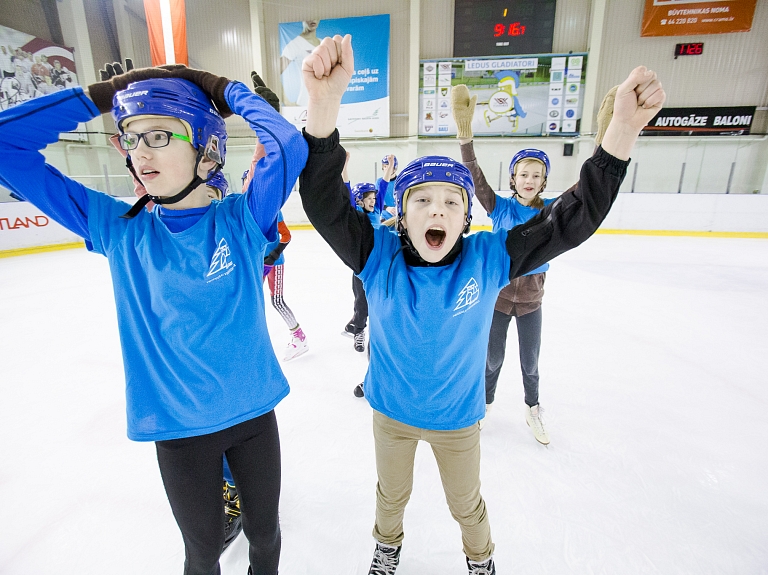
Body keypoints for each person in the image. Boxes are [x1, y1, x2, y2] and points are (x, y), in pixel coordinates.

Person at [298, 34, 664, 574]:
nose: (437, 210)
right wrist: (324, 108)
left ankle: (480, 557)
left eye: (452, 202)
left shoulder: (489, 257)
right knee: (389, 498)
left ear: (467, 219)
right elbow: (325, 204)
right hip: (392, 416)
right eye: (421, 201)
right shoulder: (377, 255)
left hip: (457, 421)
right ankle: (387, 547)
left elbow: (569, 221)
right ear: (402, 215)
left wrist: (621, 136)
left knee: (466, 505)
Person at [0, 62, 308, 575]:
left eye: (159, 135)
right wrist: (105, 94)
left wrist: (220, 89)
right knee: (202, 552)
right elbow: (5, 144)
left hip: (254, 417)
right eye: (130, 138)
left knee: (266, 538)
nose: (139, 153)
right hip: (179, 431)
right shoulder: (119, 230)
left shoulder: (241, 220)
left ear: (207, 148)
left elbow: (287, 144)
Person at [280, 20, 321, 106]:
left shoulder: (323, 43)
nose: (312, 19)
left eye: (315, 16)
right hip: (306, 102)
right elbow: (275, 71)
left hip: (326, 101)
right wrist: (286, 101)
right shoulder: (296, 44)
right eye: (308, 16)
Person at [376, 154, 398, 219]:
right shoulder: (379, 182)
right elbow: (377, 200)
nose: (386, 169)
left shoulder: (399, 181)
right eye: (385, 166)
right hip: (384, 217)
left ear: (394, 168)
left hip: (398, 217)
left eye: (389, 167)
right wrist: (387, 208)